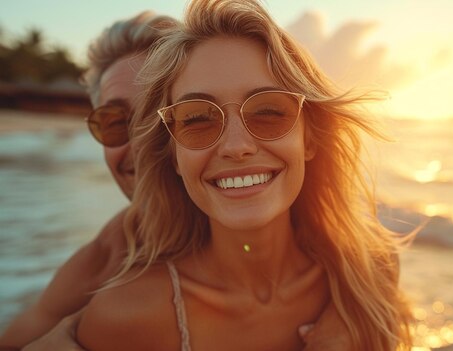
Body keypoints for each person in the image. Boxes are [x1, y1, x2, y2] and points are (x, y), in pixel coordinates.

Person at [0, 9, 350, 351]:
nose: (144, 145)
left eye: (188, 119)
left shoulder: (325, 244)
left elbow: (370, 262)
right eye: (116, 121)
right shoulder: (115, 256)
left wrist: (348, 318)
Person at [76, 0, 414, 350]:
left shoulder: (369, 273)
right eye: (197, 119)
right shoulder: (126, 317)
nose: (236, 146)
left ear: (309, 138)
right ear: (174, 155)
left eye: (268, 112)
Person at [0, 11, 177, 349]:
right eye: (114, 121)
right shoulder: (108, 258)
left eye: (159, 116)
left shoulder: (298, 225)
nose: (140, 145)